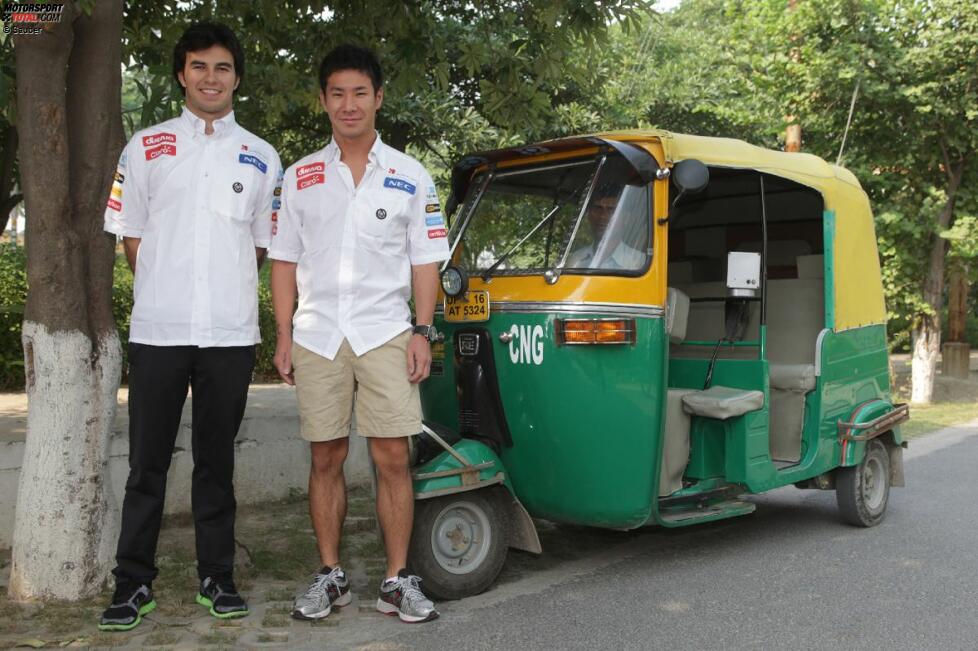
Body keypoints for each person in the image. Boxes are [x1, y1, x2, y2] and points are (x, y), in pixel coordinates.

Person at [99, 22, 281, 631]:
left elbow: (260, 245)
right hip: (158, 330)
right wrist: (170, 286)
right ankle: (133, 584)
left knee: (215, 462)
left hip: (229, 335)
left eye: (223, 68)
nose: (211, 78)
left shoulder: (261, 155)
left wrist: (221, 286)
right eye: (199, 66)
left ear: (236, 78)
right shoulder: (144, 147)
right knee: (146, 463)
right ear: (182, 74)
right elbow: (132, 238)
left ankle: (217, 576)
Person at [269, 44, 448, 624]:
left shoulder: (410, 176)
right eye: (338, 93)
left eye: (360, 93)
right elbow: (284, 262)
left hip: (386, 333)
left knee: (393, 455)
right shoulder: (299, 178)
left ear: (378, 99)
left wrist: (423, 330)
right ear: (323, 100)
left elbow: (426, 262)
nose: (349, 104)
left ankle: (397, 580)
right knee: (326, 455)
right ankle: (330, 575)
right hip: (318, 334)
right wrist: (283, 334)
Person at [567, 186, 647, 270]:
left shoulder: (638, 263)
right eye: (598, 209)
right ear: (589, 215)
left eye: (611, 210)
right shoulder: (575, 261)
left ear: (625, 218)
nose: (603, 216)